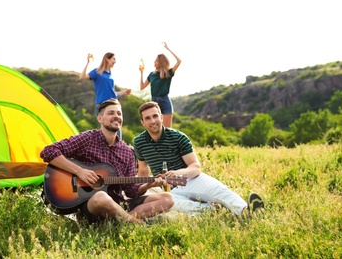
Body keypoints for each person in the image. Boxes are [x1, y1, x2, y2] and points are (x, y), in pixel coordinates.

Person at [40, 99, 174, 224]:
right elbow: (48, 151)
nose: (116, 116)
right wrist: (79, 171)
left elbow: (131, 191)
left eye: (119, 113)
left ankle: (120, 221)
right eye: (111, 113)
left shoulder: (128, 152)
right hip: (91, 204)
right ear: (100, 118)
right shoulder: (88, 138)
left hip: (118, 203)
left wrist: (148, 185)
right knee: (101, 197)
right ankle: (132, 223)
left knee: (167, 198)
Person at [133, 101, 265, 218]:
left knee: (218, 190)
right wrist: (140, 191)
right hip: (169, 190)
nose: (152, 121)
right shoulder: (139, 142)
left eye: (155, 116)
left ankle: (246, 211)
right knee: (171, 206)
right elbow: (143, 171)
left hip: (190, 179)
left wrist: (177, 173)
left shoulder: (178, 137)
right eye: (148, 118)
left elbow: (195, 167)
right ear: (142, 122)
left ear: (161, 117)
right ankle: (211, 209)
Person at [80, 52, 131, 139]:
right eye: (113, 59)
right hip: (102, 104)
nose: (115, 61)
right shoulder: (98, 72)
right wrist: (88, 62)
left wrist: (124, 92)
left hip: (113, 103)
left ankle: (118, 147)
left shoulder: (110, 74)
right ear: (107, 59)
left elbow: (111, 92)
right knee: (105, 129)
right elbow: (83, 76)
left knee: (116, 126)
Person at [139, 42, 181, 128]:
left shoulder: (168, 73)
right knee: (155, 129)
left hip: (165, 101)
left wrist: (168, 49)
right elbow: (142, 86)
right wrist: (141, 72)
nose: (154, 62)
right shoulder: (152, 75)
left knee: (167, 130)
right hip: (154, 102)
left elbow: (179, 61)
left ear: (161, 62)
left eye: (156, 61)